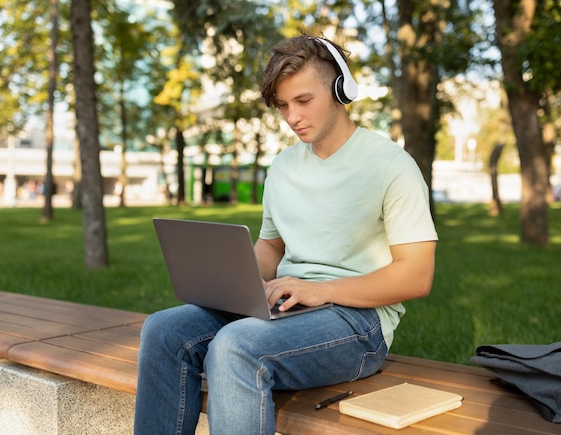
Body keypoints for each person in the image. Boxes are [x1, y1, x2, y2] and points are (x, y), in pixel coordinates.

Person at [134, 34, 438, 435]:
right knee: (163, 330)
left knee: (235, 347)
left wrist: (321, 290)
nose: (292, 116)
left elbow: (416, 276)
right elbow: (271, 246)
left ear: (340, 90)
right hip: (288, 303)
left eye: (303, 101)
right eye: (283, 105)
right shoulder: (283, 167)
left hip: (358, 324)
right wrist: (237, 281)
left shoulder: (392, 166)